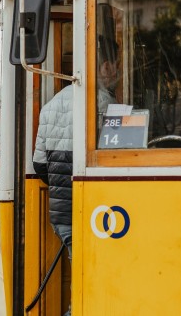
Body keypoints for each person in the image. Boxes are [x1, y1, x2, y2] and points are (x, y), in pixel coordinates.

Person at [32, 35, 118, 316]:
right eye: (112, 66)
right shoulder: (104, 102)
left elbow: (39, 165)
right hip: (99, 208)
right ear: (103, 67)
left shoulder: (50, 106)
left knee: (78, 263)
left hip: (62, 210)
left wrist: (62, 183)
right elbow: (113, 155)